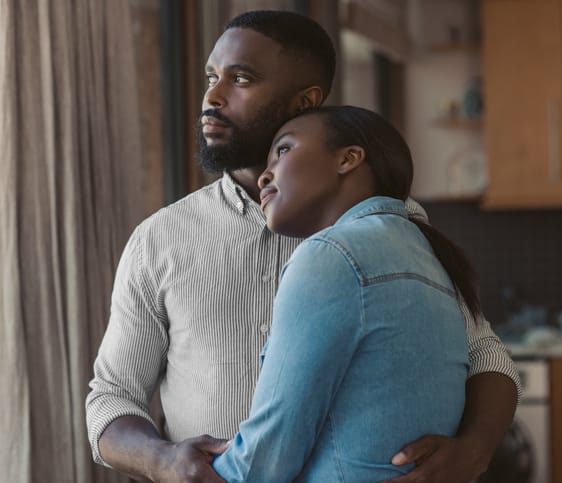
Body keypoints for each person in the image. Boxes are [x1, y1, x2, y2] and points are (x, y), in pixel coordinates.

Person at [86, 10, 520, 483]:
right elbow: (111, 396)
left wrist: (475, 451)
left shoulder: (390, 229)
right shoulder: (159, 239)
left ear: (305, 101)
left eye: (241, 78)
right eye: (212, 76)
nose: (212, 96)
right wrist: (161, 460)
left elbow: (485, 354)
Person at [211, 105, 481, 481]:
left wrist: (182, 471)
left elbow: (264, 462)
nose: (264, 175)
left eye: (284, 150)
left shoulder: (332, 255)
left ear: (349, 158)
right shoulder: (428, 256)